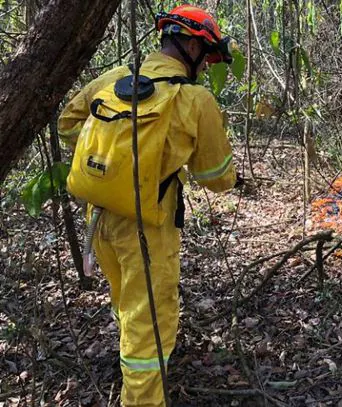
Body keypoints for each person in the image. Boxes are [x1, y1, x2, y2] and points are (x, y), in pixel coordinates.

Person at [58, 5, 237, 406]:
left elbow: (68, 124)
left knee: (127, 307)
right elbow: (216, 178)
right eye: (206, 57)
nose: (206, 67)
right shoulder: (195, 100)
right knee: (149, 329)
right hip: (148, 231)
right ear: (190, 44)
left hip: (99, 219)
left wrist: (109, 162)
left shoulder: (116, 77)